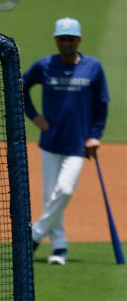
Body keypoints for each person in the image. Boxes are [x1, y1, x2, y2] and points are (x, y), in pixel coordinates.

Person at [22, 18, 110, 266]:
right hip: (50, 142)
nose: (66, 42)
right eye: (62, 38)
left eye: (71, 38)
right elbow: (20, 86)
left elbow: (101, 104)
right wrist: (34, 115)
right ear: (56, 40)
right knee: (51, 195)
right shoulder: (45, 65)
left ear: (79, 40)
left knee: (65, 190)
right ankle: (59, 247)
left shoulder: (93, 67)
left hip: (77, 144)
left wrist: (95, 135)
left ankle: (35, 234)